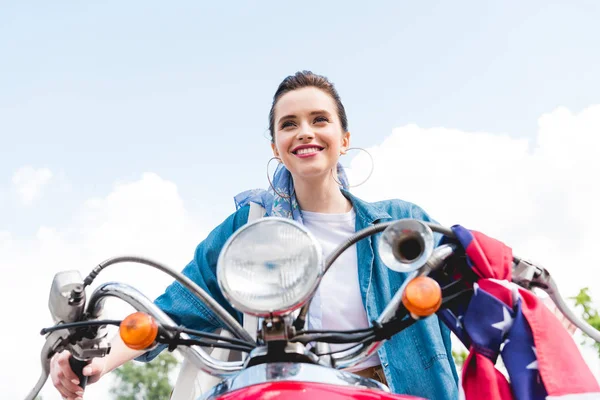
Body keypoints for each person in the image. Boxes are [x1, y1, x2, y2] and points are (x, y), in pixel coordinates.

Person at [50, 71, 459, 400]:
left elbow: (473, 285)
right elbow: (171, 312)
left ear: (345, 140)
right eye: (289, 124)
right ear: (276, 146)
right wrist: (97, 360)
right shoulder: (249, 230)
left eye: (319, 119)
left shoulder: (401, 224)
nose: (304, 132)